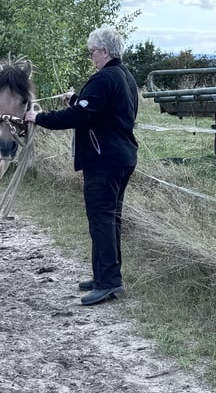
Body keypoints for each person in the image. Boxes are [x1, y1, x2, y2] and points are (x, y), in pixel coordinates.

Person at [25, 26, 138, 306]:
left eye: (93, 53)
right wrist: (76, 98)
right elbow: (98, 109)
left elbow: (80, 116)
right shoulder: (124, 76)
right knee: (110, 218)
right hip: (121, 156)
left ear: (105, 52)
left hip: (104, 160)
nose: (92, 58)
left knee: (102, 219)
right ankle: (104, 275)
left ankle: (110, 282)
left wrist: (38, 118)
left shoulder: (104, 78)